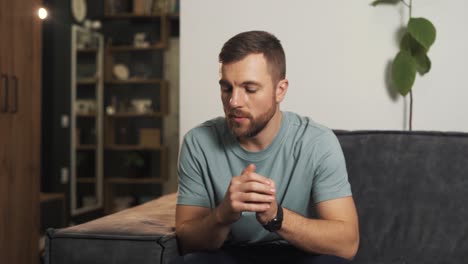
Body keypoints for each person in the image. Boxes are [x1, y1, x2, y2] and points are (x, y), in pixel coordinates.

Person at [173, 30, 359, 264]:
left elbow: (347, 244)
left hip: (294, 253)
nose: (234, 102)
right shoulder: (198, 142)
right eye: (227, 88)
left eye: (250, 89)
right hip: (228, 254)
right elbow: (185, 240)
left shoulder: (317, 141)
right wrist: (223, 214)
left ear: (280, 90)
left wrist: (276, 216)